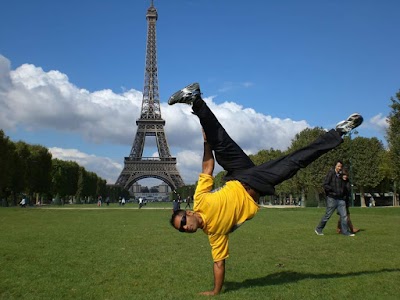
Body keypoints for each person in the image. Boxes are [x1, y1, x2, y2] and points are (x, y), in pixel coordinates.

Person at [168, 82, 364, 295]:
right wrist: (215, 292)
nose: (185, 227)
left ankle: (194, 98)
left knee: (219, 142)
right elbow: (219, 264)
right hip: (255, 182)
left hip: (239, 174)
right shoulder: (215, 234)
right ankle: (339, 132)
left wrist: (206, 143)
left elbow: (207, 167)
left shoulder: (199, 201)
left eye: (183, 221)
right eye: (182, 229)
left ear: (189, 213)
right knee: (295, 161)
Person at [315, 161, 355, 236]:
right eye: (338, 166)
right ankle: (319, 228)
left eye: (341, 166)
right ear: (335, 166)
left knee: (344, 215)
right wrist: (333, 190)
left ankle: (345, 231)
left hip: (341, 198)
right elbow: (325, 184)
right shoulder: (331, 173)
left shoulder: (341, 175)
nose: (340, 168)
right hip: (332, 198)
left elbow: (344, 184)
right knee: (328, 215)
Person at [336, 169, 359, 234]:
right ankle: (352, 229)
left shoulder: (347, 182)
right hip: (340, 201)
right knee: (346, 215)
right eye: (344, 175)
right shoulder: (339, 182)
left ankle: (338, 228)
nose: (345, 176)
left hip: (345, 201)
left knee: (342, 216)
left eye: (346, 175)